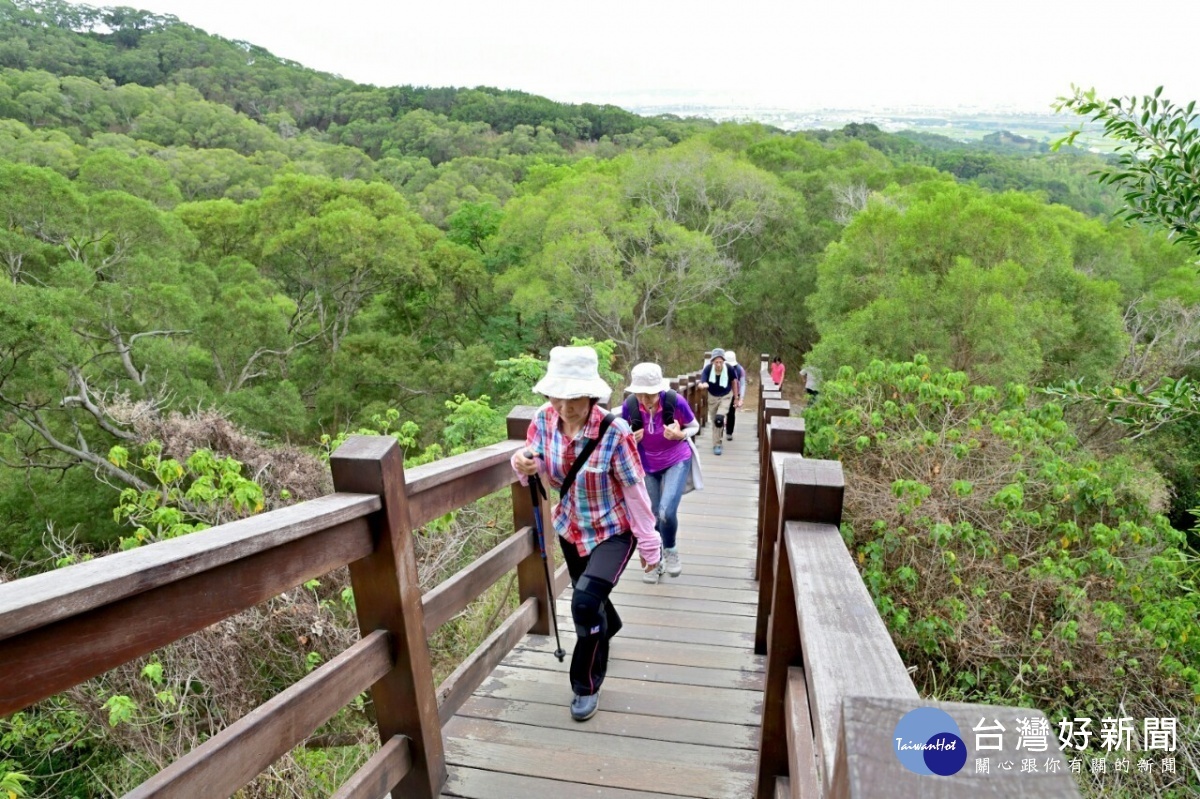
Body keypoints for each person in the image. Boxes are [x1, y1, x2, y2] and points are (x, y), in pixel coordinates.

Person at [511, 346, 662, 722]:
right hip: (570, 527)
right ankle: (609, 622)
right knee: (590, 600)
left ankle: (585, 685)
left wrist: (650, 543)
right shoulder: (542, 420)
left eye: (573, 398)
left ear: (591, 396)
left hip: (614, 530)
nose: (563, 406)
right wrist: (522, 462)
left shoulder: (616, 432)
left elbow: (635, 491)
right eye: (556, 397)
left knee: (582, 603)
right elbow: (537, 460)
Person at [621, 362, 700, 582]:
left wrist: (680, 434)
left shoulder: (675, 402)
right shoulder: (630, 406)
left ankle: (671, 550)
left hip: (677, 459)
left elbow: (695, 427)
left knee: (666, 511)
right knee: (652, 514)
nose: (646, 401)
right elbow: (618, 432)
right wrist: (629, 437)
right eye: (641, 395)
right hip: (646, 464)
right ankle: (655, 561)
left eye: (651, 395)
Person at [698, 347, 740, 455]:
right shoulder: (708, 369)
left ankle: (716, 445)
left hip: (726, 395)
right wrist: (703, 384)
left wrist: (736, 398)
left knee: (719, 418)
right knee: (715, 422)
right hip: (712, 397)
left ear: (723, 361)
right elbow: (702, 380)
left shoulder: (729, 368)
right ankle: (718, 438)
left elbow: (734, 382)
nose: (718, 364)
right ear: (712, 361)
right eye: (716, 362)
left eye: (720, 362)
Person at [723, 350, 747, 441]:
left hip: (734, 394)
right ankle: (720, 430)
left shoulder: (740, 369)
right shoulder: (720, 368)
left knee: (731, 413)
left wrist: (741, 398)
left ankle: (729, 432)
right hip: (722, 392)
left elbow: (743, 384)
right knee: (720, 412)